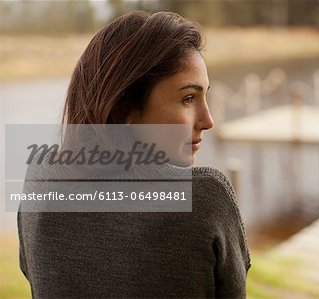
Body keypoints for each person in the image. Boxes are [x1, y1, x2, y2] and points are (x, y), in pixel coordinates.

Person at [17, 10, 251, 298]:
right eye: (188, 98)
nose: (208, 120)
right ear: (124, 108)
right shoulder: (203, 198)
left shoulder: (39, 179)